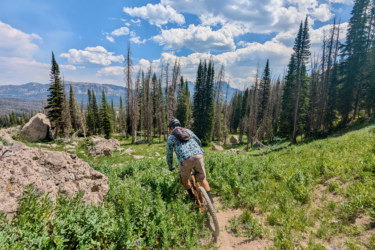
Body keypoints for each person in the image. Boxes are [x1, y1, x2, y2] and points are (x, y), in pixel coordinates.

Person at [166, 118, 214, 204]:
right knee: (203, 179)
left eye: (169, 129)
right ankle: (212, 203)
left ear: (171, 128)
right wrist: (197, 149)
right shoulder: (188, 131)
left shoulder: (171, 137)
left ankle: (192, 197)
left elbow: (169, 154)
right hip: (199, 155)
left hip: (185, 159)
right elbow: (198, 141)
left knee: (184, 178)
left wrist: (170, 167)